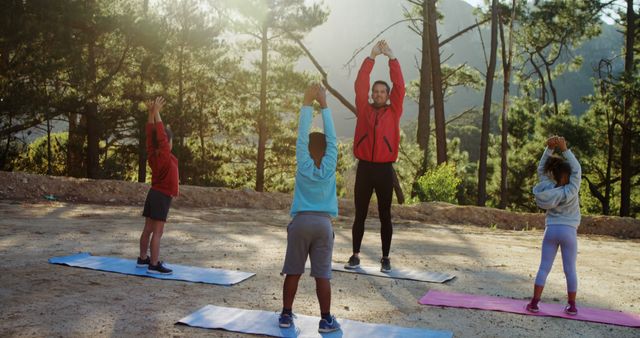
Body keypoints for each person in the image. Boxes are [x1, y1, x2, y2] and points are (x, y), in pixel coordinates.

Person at [279, 84, 341, 333]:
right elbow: (333, 138)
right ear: (327, 151)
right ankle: (325, 319)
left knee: (293, 271)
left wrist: (307, 103)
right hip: (323, 225)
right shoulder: (330, 163)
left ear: (307, 149)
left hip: (301, 223)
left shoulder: (303, 162)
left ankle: (285, 315)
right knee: (322, 275)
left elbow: (301, 135)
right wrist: (324, 104)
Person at [345, 40, 405, 272]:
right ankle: (355, 255)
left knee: (384, 215)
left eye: (383, 92)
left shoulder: (394, 110)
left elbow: (400, 86)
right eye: (376, 92)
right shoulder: (364, 108)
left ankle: (385, 258)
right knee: (359, 213)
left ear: (388, 95)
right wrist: (371, 57)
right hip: (365, 169)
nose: (378, 94)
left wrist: (392, 58)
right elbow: (360, 84)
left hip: (384, 170)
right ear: (372, 94)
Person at [526, 136, 581, 315]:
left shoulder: (547, 188)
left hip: (551, 230)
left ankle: (534, 303)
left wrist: (549, 149)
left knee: (544, 267)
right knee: (570, 269)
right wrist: (565, 149)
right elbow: (577, 169)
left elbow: (541, 169)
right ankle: (572, 306)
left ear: (553, 175)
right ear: (568, 176)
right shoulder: (571, 189)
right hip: (569, 232)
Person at [137, 96, 179, 275]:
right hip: (161, 196)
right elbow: (159, 135)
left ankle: (143, 259)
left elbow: (151, 135)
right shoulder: (163, 153)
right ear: (167, 142)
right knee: (158, 232)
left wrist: (150, 114)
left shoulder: (153, 152)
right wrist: (157, 113)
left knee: (148, 228)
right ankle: (153, 264)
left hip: (154, 193)